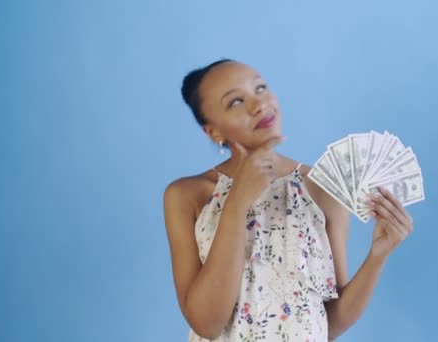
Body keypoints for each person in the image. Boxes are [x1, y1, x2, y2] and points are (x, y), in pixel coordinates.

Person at [163, 59, 414, 341]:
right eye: (235, 101)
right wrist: (237, 202)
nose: (258, 104)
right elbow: (207, 324)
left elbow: (329, 320)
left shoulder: (322, 188)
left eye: (260, 88)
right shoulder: (187, 195)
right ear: (213, 132)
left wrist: (377, 256)